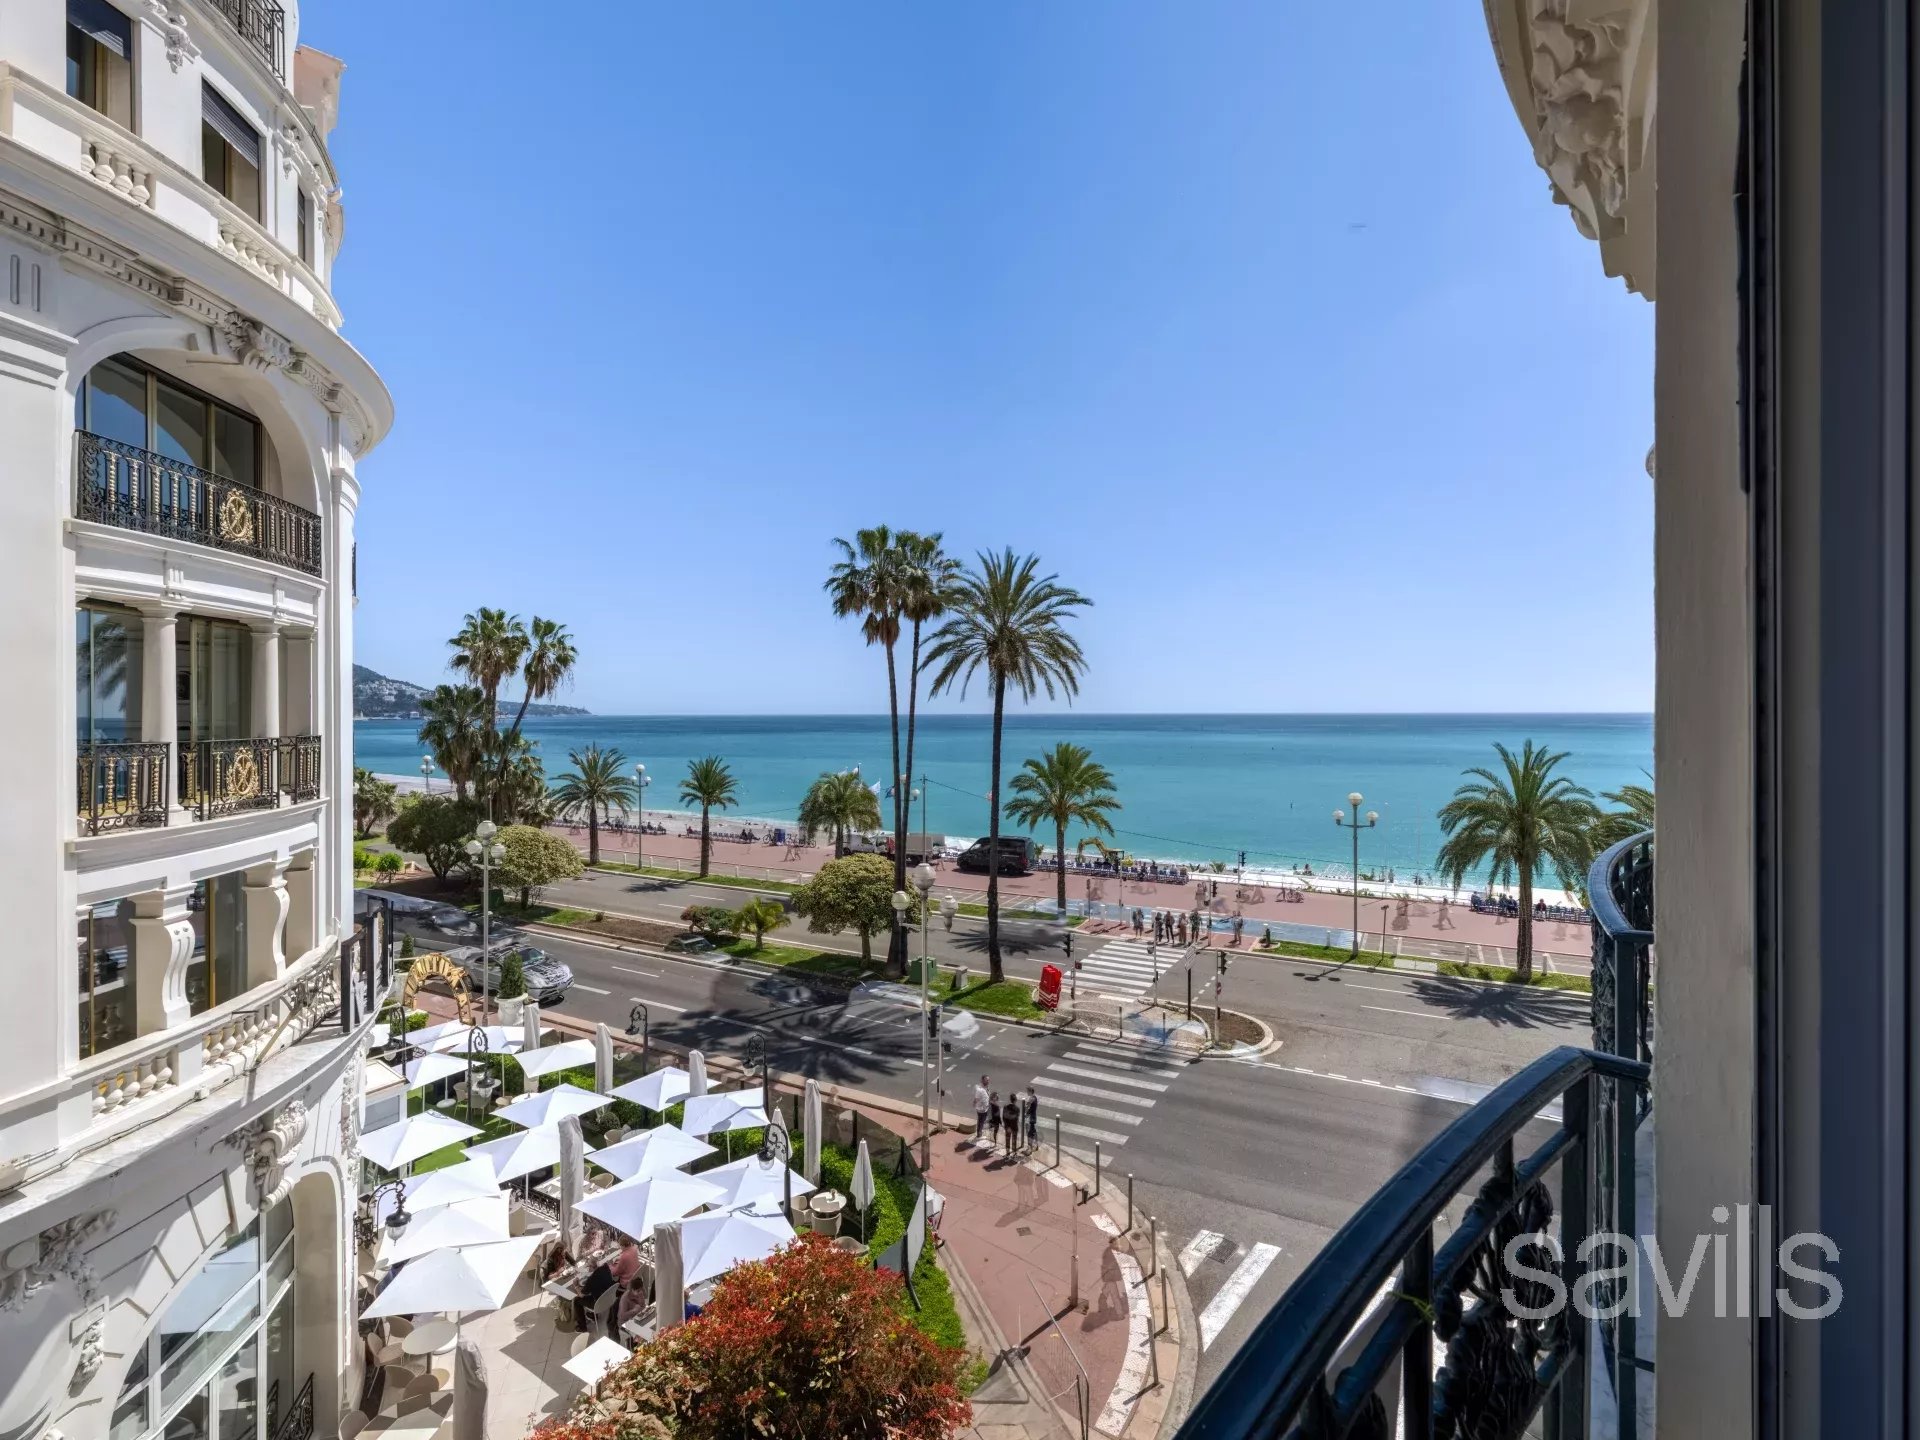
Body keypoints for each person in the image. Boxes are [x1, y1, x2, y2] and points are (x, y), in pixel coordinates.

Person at [1023, 1083, 1040, 1150]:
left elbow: (1027, 1106)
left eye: (1027, 1091)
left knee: (1030, 1133)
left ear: (1030, 1091)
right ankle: (1036, 1145)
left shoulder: (1032, 1098)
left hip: (1031, 1118)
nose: (1027, 1092)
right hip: (1033, 1117)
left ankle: (1030, 1148)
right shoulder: (1034, 1097)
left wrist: (1026, 1112)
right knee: (1033, 1131)